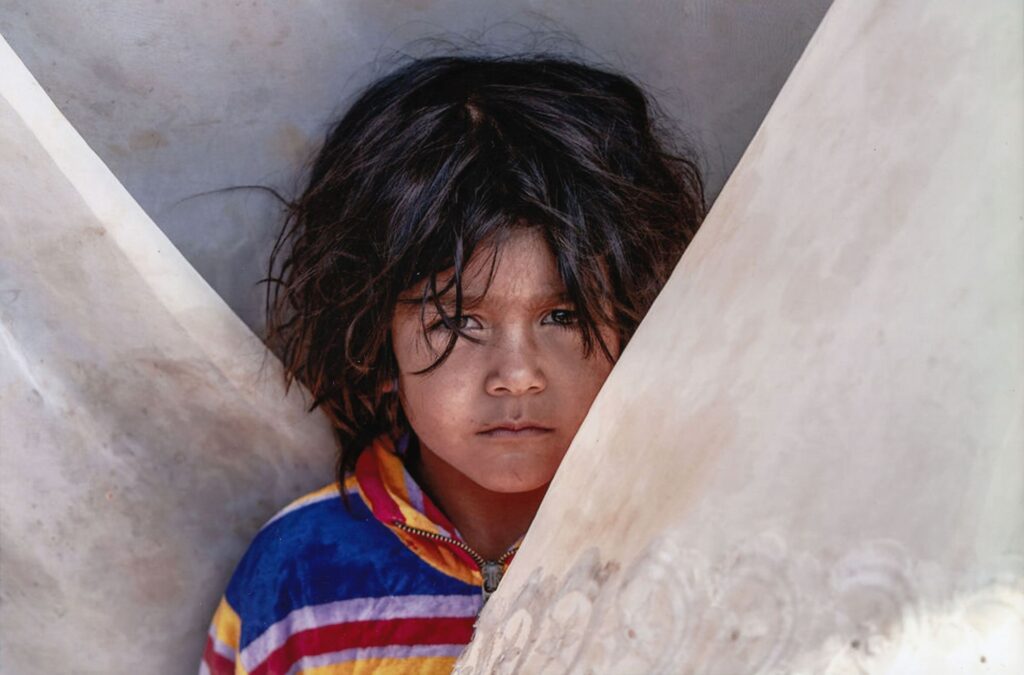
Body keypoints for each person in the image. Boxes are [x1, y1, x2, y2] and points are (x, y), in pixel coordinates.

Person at [200, 53, 705, 674]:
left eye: (563, 315)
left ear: (632, 323)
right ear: (375, 342)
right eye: (459, 321)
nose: (517, 375)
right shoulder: (298, 579)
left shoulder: (684, 545)